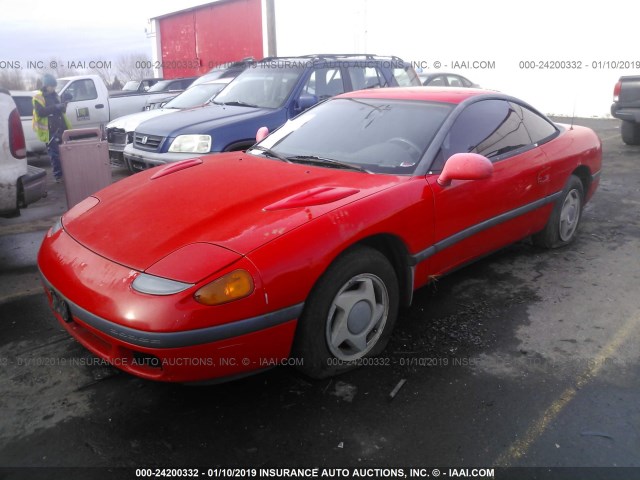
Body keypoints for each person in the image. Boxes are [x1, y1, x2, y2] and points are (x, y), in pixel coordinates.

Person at [32, 73, 72, 183]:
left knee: (65, 153)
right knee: (55, 155)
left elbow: (61, 111)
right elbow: (40, 112)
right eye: (51, 86)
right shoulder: (39, 97)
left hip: (61, 128)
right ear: (46, 85)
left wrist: (65, 103)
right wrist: (56, 107)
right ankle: (59, 176)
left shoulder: (55, 95)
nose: (53, 88)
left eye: (54, 86)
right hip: (50, 131)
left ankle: (67, 174)